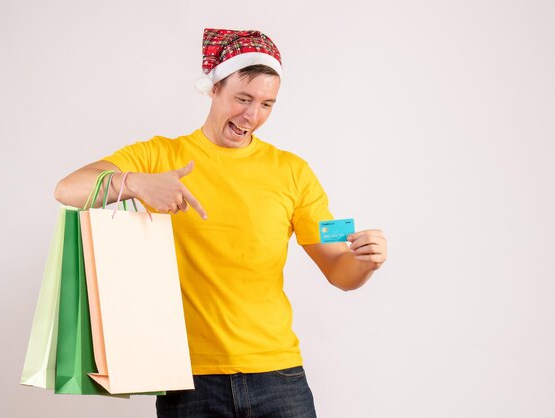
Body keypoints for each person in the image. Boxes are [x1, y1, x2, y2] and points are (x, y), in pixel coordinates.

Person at [55, 28, 387, 418]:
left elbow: (338, 270)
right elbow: (67, 188)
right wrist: (134, 182)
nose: (252, 116)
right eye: (243, 99)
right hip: (190, 381)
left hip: (277, 375)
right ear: (214, 88)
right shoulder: (163, 156)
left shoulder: (291, 172)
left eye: (266, 104)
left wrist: (365, 262)